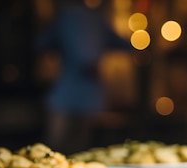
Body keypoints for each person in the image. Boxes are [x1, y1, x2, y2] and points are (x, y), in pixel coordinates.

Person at [37, 0, 131, 155]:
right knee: (77, 151)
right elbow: (124, 45)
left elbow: (41, 43)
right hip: (84, 96)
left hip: (68, 95)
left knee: (52, 151)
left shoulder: (67, 17)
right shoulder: (94, 19)